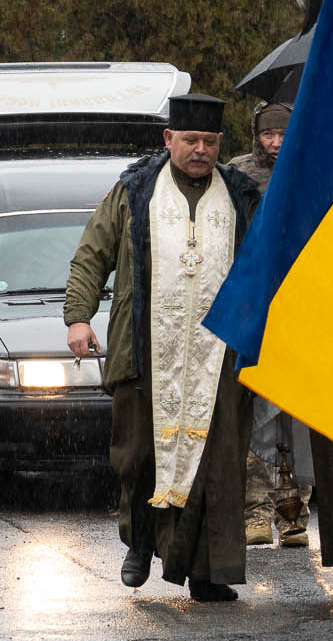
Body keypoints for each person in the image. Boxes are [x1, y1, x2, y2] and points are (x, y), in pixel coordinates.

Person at [65, 94, 263, 603]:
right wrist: (79, 318)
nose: (200, 151)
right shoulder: (134, 192)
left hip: (218, 354)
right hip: (143, 348)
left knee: (215, 462)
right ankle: (140, 544)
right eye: (191, 140)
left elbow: (266, 266)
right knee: (138, 454)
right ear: (168, 139)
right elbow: (92, 255)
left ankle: (207, 571)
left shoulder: (241, 196)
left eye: (211, 142)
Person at [228, 101, 311, 550]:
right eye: (268, 136)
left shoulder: (307, 165)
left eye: (282, 134)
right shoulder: (238, 173)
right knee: (256, 416)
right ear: (256, 134)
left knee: (292, 418)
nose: (276, 143)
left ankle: (293, 515)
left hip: (299, 300)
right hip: (257, 299)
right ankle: (256, 511)